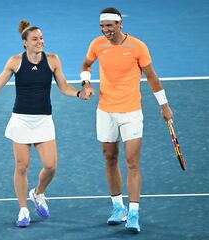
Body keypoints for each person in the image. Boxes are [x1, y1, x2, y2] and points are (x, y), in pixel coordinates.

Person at [0, 19, 92, 228]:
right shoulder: (15, 61)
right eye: (35, 39)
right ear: (24, 42)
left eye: (41, 38)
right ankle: (23, 209)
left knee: (51, 166)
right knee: (21, 166)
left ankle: (38, 193)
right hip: (21, 121)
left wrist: (79, 93)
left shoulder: (52, 60)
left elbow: (63, 87)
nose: (40, 42)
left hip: (43, 120)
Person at [80, 7, 173, 233]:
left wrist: (164, 105)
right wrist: (86, 83)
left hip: (131, 112)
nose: (106, 31)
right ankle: (117, 207)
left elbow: (151, 77)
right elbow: (86, 65)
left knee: (132, 162)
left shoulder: (137, 47)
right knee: (110, 158)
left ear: (120, 24)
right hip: (105, 111)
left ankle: (133, 212)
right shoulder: (97, 44)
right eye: (102, 27)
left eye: (109, 26)